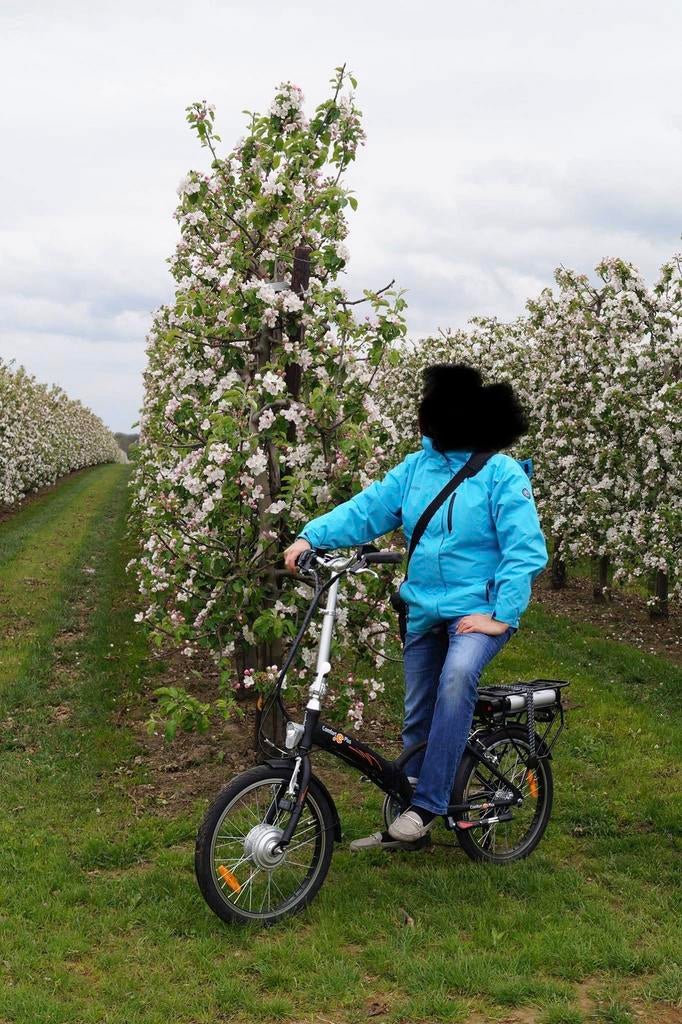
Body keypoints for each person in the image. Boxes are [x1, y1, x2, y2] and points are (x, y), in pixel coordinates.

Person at [283, 363, 548, 851]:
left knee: (456, 680)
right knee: (417, 715)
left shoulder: (501, 474)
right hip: (424, 610)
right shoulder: (414, 471)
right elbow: (367, 510)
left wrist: (500, 615)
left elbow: (525, 550)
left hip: (479, 614)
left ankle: (427, 805)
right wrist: (310, 536)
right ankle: (414, 808)